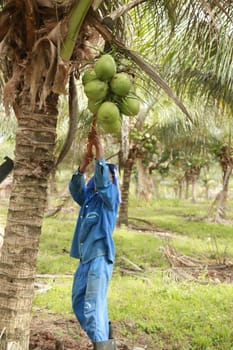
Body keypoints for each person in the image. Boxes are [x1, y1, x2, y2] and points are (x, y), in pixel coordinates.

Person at [69, 125, 120, 350]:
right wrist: (83, 165)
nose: (103, 178)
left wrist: (100, 151)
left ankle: (103, 346)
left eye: (108, 174)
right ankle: (106, 341)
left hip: (100, 258)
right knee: (79, 303)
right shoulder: (89, 200)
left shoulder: (110, 201)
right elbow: (76, 189)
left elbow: (102, 183)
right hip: (85, 259)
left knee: (92, 307)